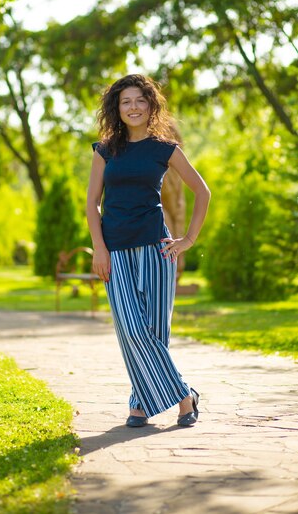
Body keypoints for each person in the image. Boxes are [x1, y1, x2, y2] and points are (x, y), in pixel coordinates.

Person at [86, 74, 211, 427]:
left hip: (157, 249)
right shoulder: (105, 150)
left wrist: (188, 239)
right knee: (131, 329)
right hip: (115, 251)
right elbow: (92, 204)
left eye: (140, 100)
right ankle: (185, 396)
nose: (133, 107)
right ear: (117, 108)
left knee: (155, 333)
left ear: (151, 104)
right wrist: (99, 247)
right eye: (126, 101)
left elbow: (202, 192)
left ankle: (140, 402)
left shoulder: (164, 149)